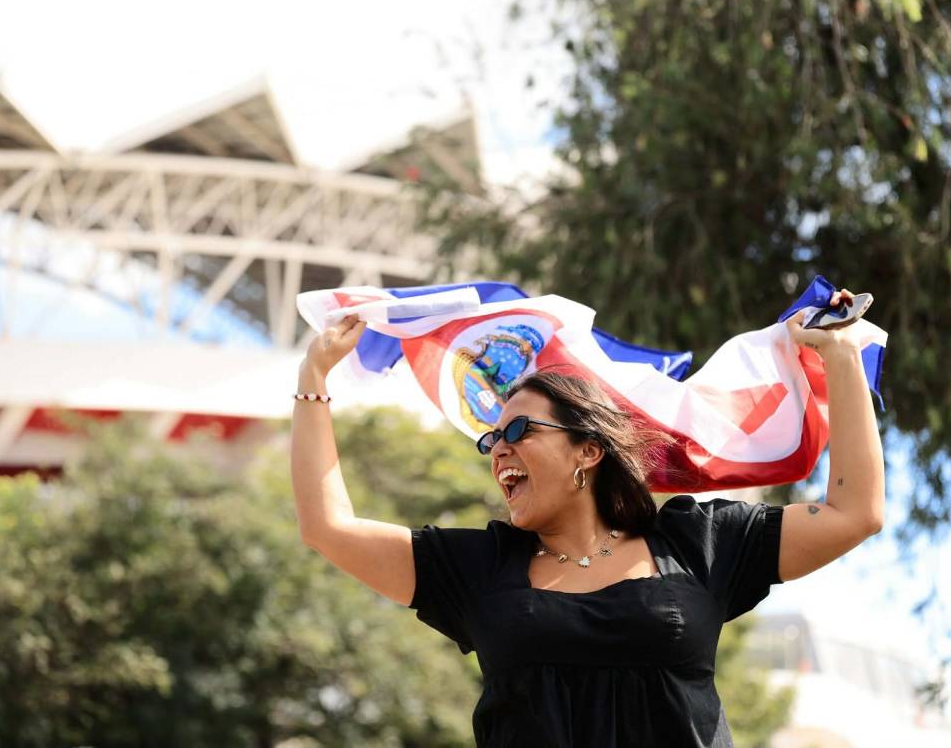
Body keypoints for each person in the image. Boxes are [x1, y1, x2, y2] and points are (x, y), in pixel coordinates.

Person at [291, 288, 885, 747]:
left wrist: (838, 355)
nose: (498, 448)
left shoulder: (699, 543)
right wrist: (313, 380)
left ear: (588, 450)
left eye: (518, 430)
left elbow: (855, 511)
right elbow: (329, 528)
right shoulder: (477, 568)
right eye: (491, 439)